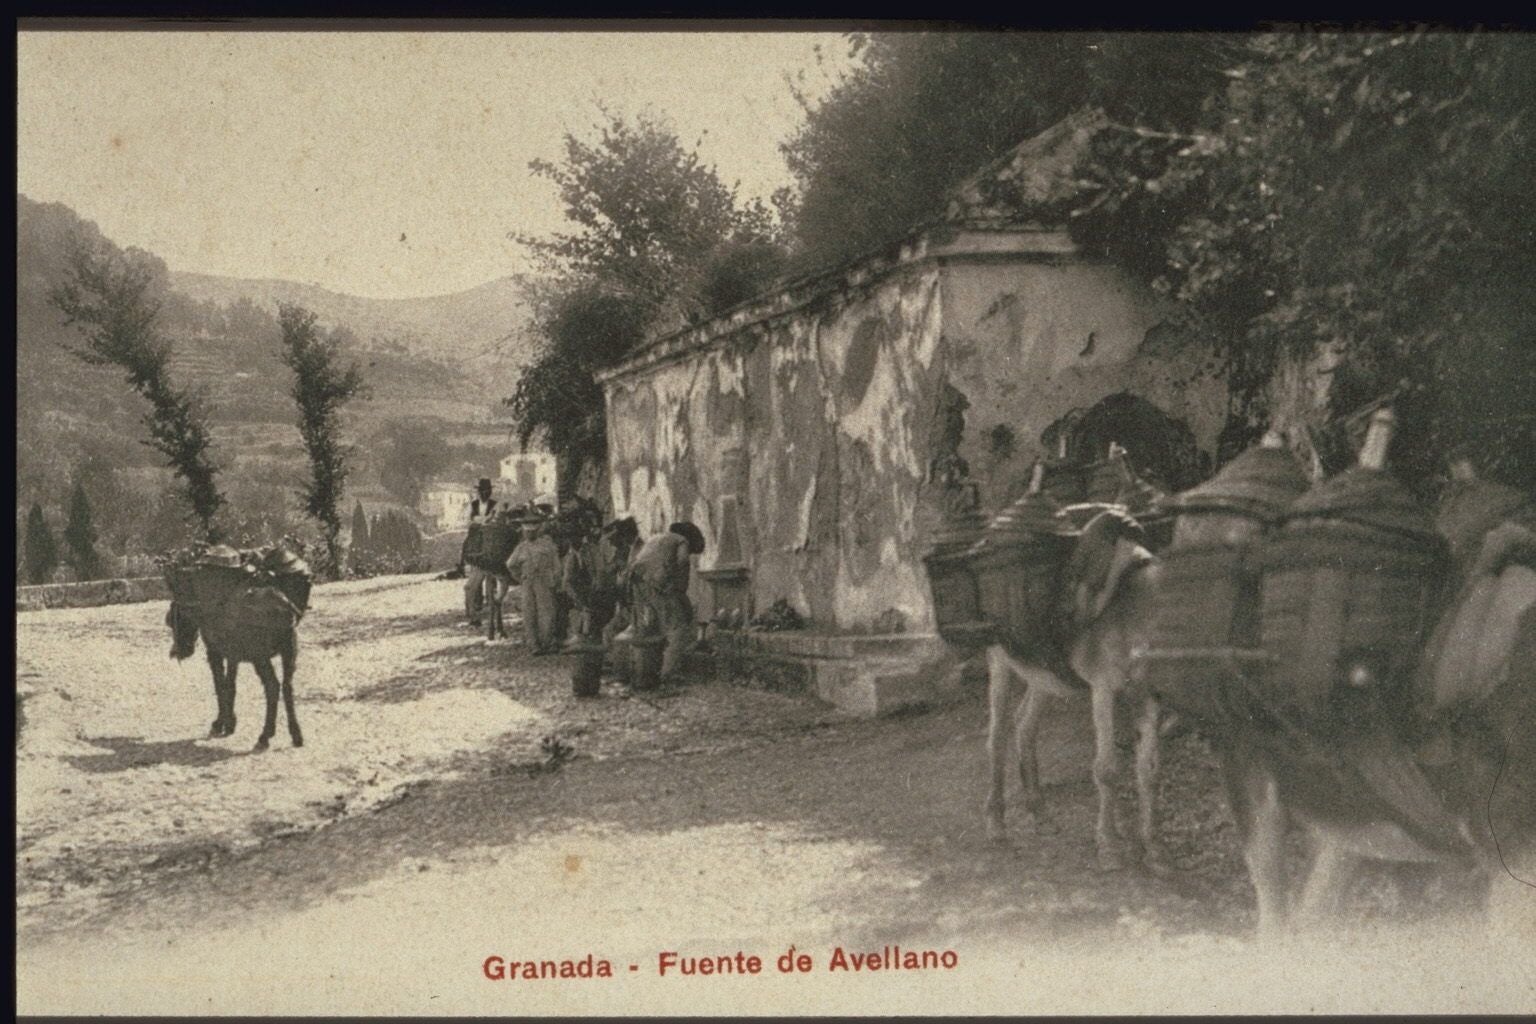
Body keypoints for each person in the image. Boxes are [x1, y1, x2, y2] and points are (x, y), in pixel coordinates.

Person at [619, 520, 706, 683]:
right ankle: (669, 675)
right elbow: (683, 562)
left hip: (635, 582)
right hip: (655, 583)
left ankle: (642, 673)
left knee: (647, 629)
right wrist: (680, 590)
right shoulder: (681, 541)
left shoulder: (656, 537)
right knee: (677, 629)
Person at [505, 516, 562, 654]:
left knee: (547, 613)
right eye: (527, 531)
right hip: (528, 582)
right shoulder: (521, 548)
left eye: (532, 531)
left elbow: (557, 565)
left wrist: (555, 579)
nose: (529, 534)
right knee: (529, 613)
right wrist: (520, 578)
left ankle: (547, 642)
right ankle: (534, 645)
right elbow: (510, 564)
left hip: (544, 581)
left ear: (538, 531)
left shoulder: (548, 546)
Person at [463, 478, 500, 627]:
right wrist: (484, 520)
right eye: (482, 491)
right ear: (478, 492)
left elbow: (496, 521)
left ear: (490, 491)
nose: (485, 494)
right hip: (476, 545)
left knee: (491, 585)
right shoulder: (472, 505)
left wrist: (479, 520)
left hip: (490, 546)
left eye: (487, 491)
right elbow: (468, 522)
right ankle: (474, 615)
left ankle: (494, 617)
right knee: (472, 585)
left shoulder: (495, 505)